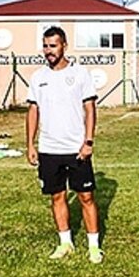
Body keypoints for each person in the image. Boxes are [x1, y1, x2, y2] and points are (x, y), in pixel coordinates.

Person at [25, 26, 103, 264]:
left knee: (86, 197)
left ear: (64, 46)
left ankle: (93, 246)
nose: (48, 51)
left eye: (53, 46)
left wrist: (88, 142)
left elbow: (90, 109)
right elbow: (33, 111)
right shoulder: (38, 78)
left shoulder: (79, 73)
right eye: (46, 46)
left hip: (76, 149)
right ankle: (65, 242)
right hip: (49, 150)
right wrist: (30, 144)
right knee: (57, 196)